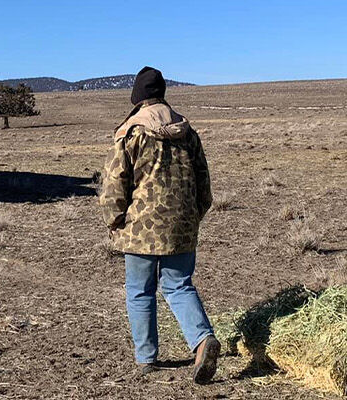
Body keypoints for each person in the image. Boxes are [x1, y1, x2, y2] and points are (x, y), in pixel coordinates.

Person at [99, 66, 220, 383]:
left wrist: (113, 220)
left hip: (140, 227)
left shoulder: (131, 133)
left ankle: (146, 358)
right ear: (163, 94)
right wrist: (193, 216)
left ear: (137, 98)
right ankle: (202, 339)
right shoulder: (187, 132)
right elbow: (204, 183)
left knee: (140, 291)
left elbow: (114, 183)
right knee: (178, 285)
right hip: (181, 223)